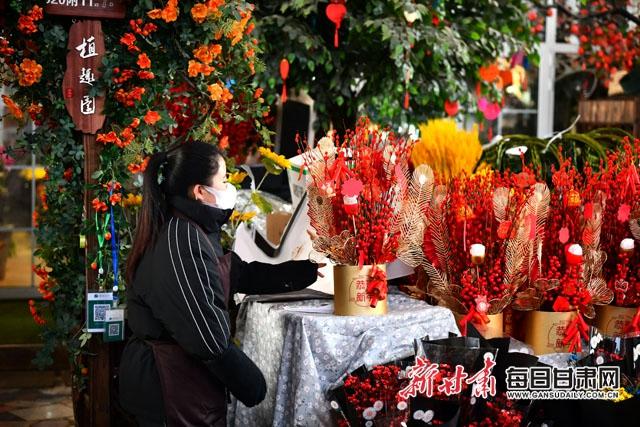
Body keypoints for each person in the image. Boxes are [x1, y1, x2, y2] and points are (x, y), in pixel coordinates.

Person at [119, 141, 320, 426]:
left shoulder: (193, 227)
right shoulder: (183, 239)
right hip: (168, 389)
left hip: (183, 384)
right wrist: (251, 384)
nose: (229, 187)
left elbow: (232, 272)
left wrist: (304, 272)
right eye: (223, 180)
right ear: (199, 191)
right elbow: (206, 336)